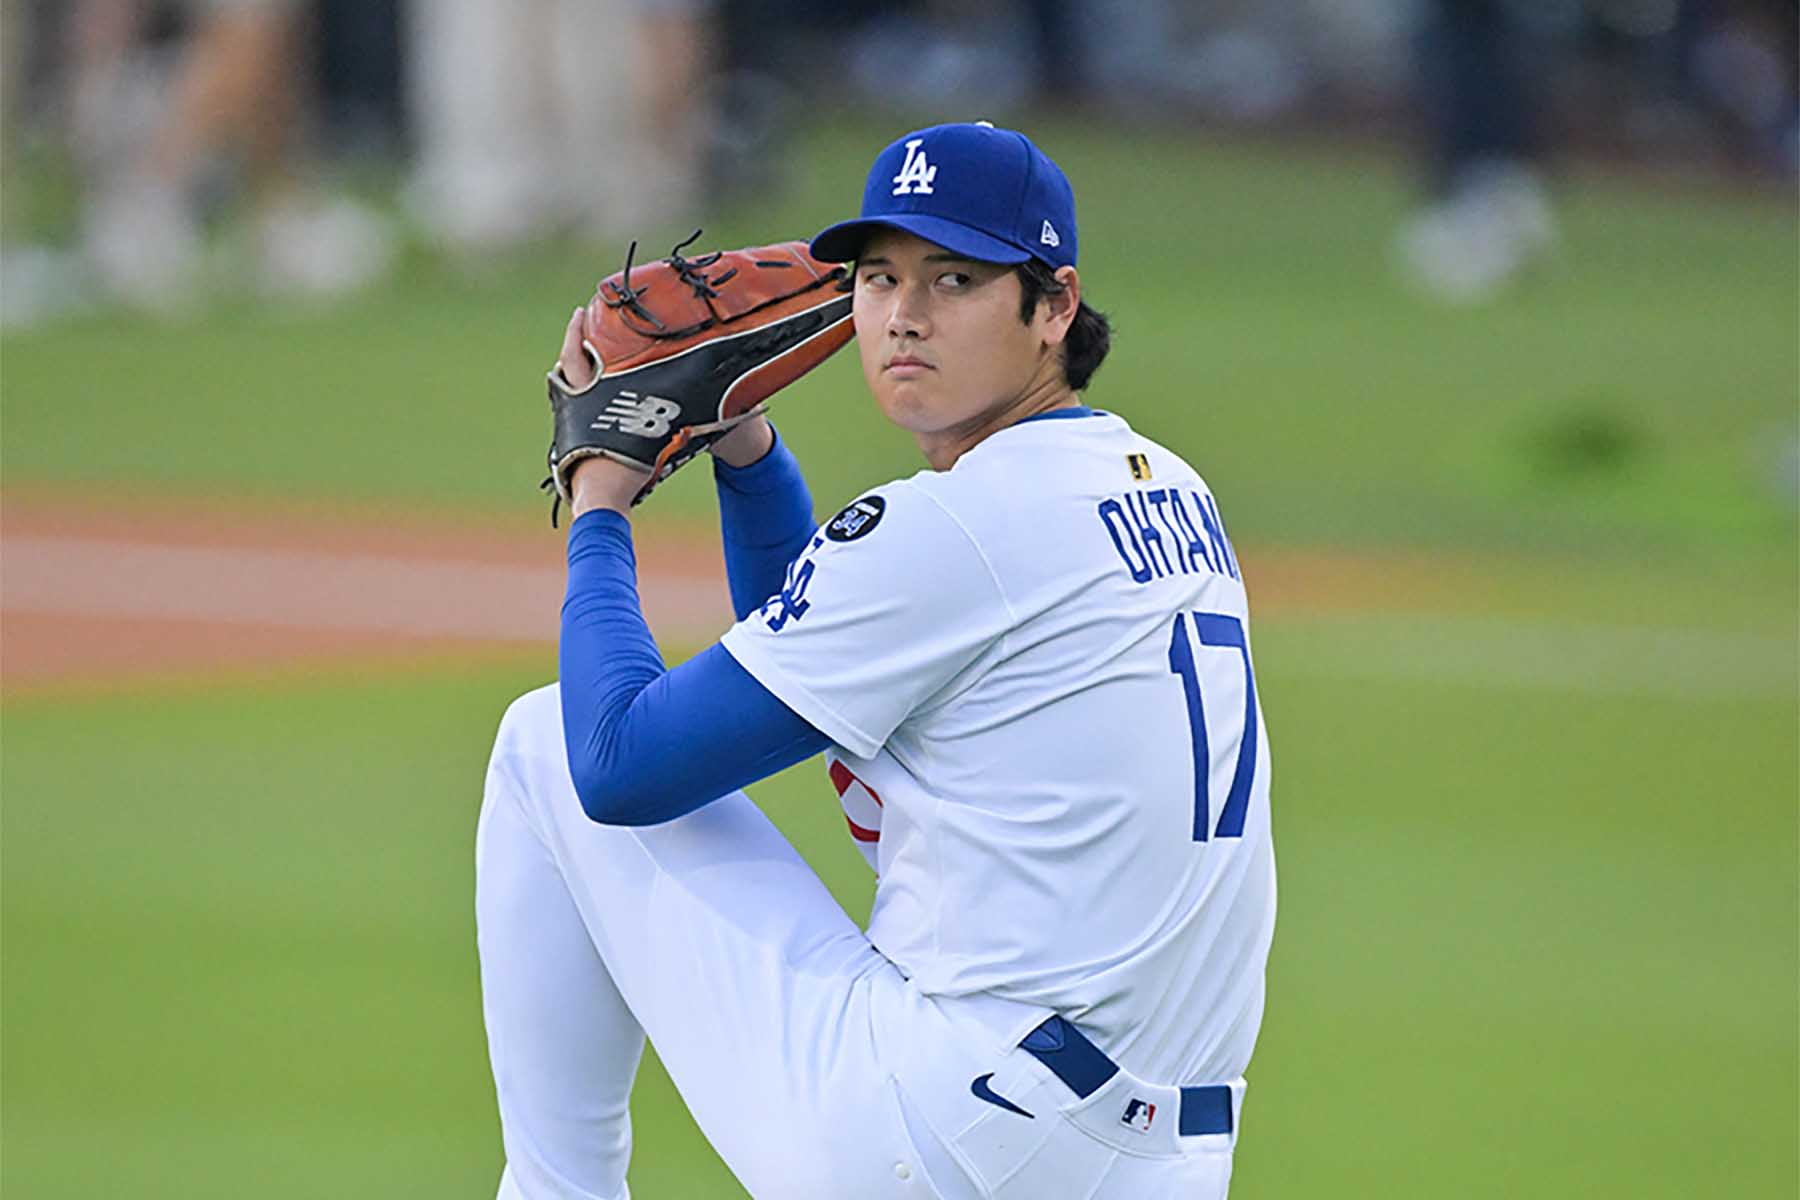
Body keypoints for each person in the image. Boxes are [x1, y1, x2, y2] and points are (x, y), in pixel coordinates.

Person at [476, 121, 1276, 1199]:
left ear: (1053, 306)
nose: (904, 314)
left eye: (955, 278)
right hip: (1165, 1162)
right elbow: (829, 668)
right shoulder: (1166, 486)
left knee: (544, 745)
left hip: (953, 1135)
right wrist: (747, 454)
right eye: (880, 277)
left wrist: (599, 503)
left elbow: (620, 765)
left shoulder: (958, 527)